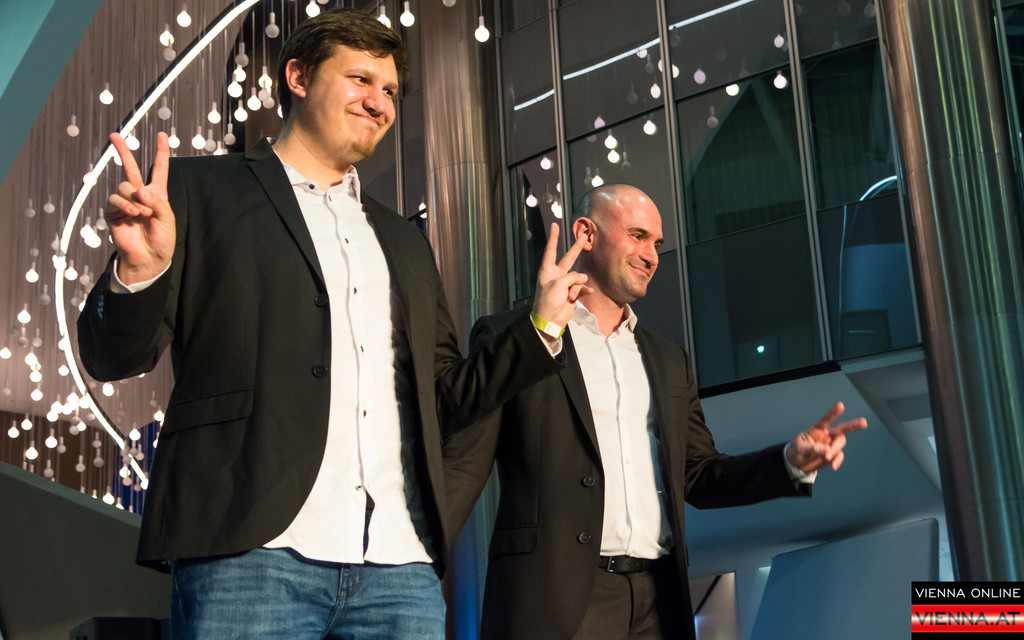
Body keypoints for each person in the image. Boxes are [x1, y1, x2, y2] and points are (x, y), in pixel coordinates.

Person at [77, 8, 588, 639]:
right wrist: (139, 273)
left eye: (391, 90)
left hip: (398, 565)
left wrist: (540, 327)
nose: (380, 102)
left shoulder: (403, 239)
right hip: (248, 552)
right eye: (361, 80)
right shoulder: (195, 191)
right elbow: (113, 357)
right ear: (297, 77)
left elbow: (442, 397)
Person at [443, 183, 867, 640]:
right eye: (638, 236)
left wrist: (788, 462)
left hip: (658, 603)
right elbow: (462, 456)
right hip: (551, 601)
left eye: (658, 244)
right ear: (586, 234)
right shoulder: (515, 335)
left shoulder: (668, 360)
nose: (651, 255)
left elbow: (699, 474)